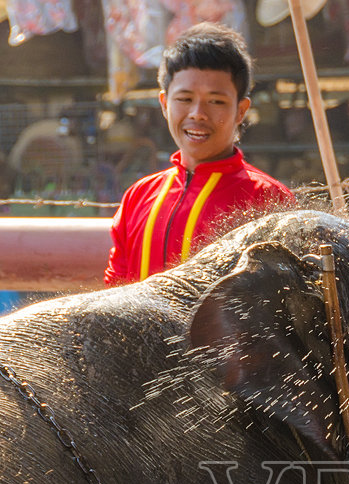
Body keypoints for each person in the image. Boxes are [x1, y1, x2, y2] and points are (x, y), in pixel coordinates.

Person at [103, 22, 295, 287]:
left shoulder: (268, 201)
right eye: (184, 99)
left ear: (241, 111)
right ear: (164, 103)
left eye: (216, 101)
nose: (197, 114)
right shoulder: (138, 197)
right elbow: (114, 292)